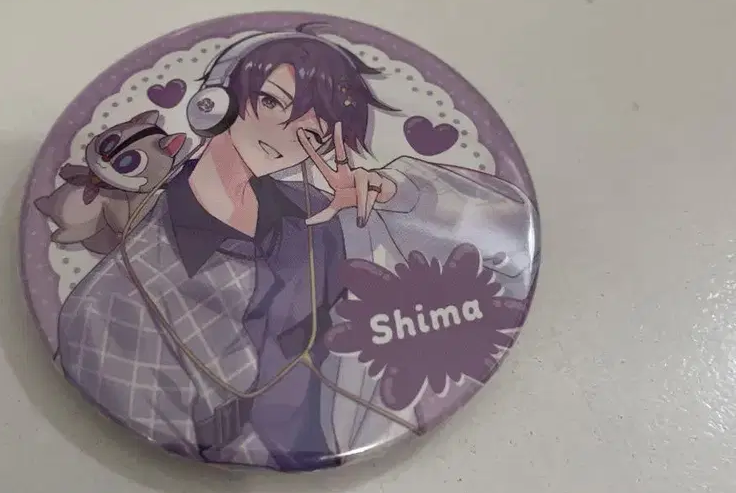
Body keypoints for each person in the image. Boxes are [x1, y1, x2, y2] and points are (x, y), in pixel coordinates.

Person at [54, 29, 537, 470]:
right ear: (214, 105)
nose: (288, 133)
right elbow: (164, 441)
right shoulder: (111, 303)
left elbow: (508, 235)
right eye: (271, 102)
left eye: (318, 127)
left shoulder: (332, 215)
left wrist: (400, 192)